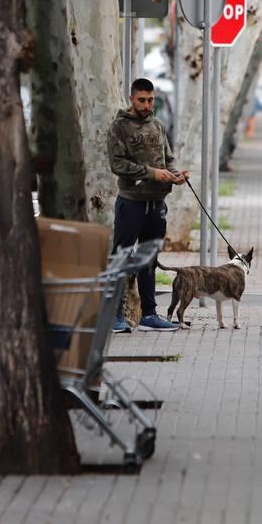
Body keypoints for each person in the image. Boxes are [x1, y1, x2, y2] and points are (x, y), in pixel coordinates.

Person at [107, 78, 186, 333]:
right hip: (131, 203)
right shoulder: (119, 127)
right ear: (132, 98)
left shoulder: (158, 126)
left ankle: (149, 315)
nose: (146, 104)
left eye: (150, 100)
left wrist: (176, 175)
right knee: (121, 258)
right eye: (142, 100)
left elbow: (169, 159)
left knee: (150, 260)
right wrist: (152, 173)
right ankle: (114, 316)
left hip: (157, 204)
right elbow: (117, 165)